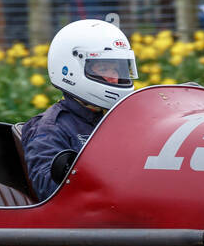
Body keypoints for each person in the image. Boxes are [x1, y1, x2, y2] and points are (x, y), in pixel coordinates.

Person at [21, 20, 138, 200]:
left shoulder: (120, 120)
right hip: (88, 223)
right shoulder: (50, 129)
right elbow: (51, 192)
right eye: (104, 68)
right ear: (71, 69)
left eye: (117, 69)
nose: (114, 78)